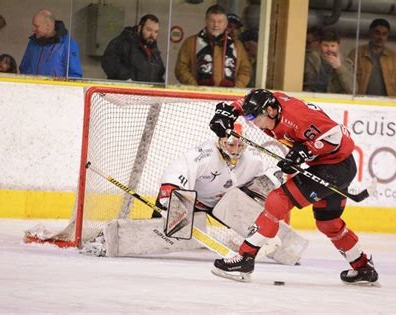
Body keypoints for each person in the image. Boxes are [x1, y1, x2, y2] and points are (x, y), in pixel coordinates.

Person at [209, 89, 379, 285]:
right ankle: (363, 266)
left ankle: (245, 258)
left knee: (277, 200)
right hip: (331, 166)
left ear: (271, 111)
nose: (252, 122)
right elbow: (244, 103)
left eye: (254, 117)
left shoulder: (299, 117)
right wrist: (228, 111)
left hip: (334, 167)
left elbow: (336, 136)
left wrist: (304, 151)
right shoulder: (270, 104)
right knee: (328, 222)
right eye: (249, 117)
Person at [152, 122, 308, 265]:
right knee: (167, 214)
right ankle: (154, 227)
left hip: (224, 202)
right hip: (193, 201)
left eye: (241, 145)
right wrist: (169, 199)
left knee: (265, 188)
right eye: (232, 145)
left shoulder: (253, 159)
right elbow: (178, 171)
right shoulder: (204, 154)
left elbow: (255, 189)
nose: (236, 150)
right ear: (221, 141)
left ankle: (287, 248)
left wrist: (271, 181)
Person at [175, 4, 251, 87]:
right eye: (212, 21)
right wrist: (194, 86)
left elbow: (245, 70)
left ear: (226, 24)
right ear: (206, 22)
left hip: (229, 95)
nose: (216, 25)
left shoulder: (237, 46)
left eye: (220, 21)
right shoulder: (191, 42)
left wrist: (236, 87)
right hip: (198, 95)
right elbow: (181, 69)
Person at [347, 18, 396, 97]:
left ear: (387, 36)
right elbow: (347, 79)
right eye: (377, 33)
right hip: (361, 102)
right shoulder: (356, 53)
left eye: (384, 34)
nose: (380, 37)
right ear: (370, 33)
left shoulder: (395, 58)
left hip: (388, 103)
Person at [101, 14, 165, 83]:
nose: (152, 35)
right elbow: (108, 62)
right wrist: (126, 79)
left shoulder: (155, 53)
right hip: (124, 91)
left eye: (156, 32)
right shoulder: (123, 42)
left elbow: (159, 75)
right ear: (139, 28)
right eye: (149, 30)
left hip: (145, 92)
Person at [19, 10, 82, 78]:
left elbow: (75, 75)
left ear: (48, 25)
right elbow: (24, 67)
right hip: (31, 87)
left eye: (36, 26)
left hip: (55, 88)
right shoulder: (33, 42)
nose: (33, 29)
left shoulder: (67, 44)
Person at [303, 29, 354, 94]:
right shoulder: (309, 58)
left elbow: (352, 90)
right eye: (326, 45)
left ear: (338, 46)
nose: (329, 49)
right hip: (310, 98)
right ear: (319, 45)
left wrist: (339, 67)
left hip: (333, 101)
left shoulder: (346, 63)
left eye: (332, 46)